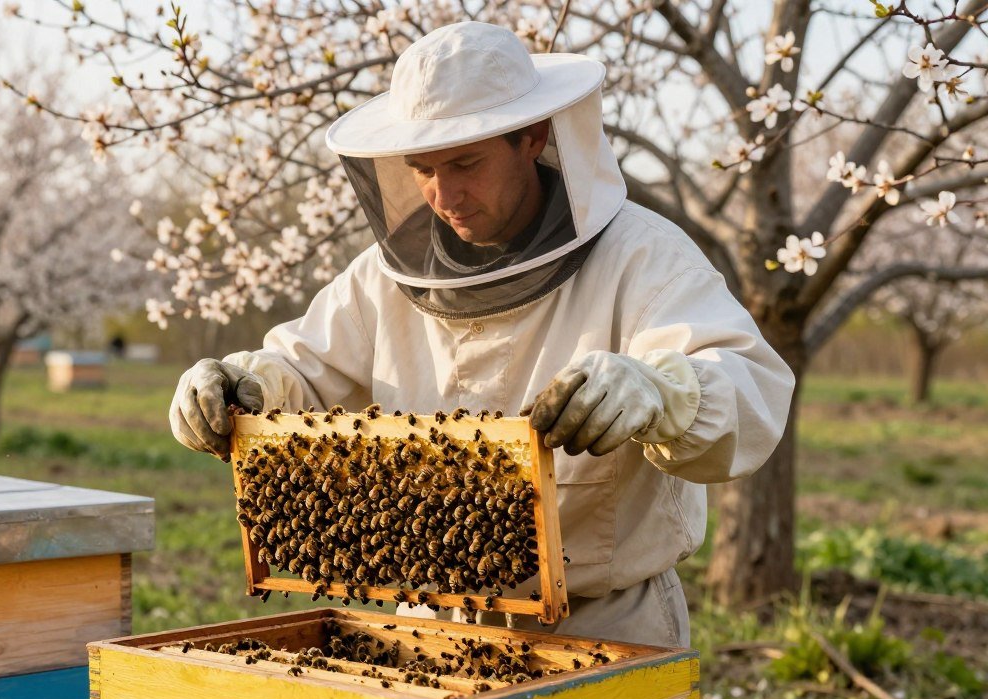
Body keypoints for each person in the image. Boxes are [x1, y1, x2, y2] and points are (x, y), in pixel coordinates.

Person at [168, 21, 794, 647]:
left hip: (601, 624)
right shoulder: (379, 281)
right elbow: (300, 372)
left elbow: (749, 389)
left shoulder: (643, 257)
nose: (445, 194)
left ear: (532, 137)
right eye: (423, 169)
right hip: (422, 622)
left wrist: (661, 390)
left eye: (465, 163)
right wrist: (238, 384)